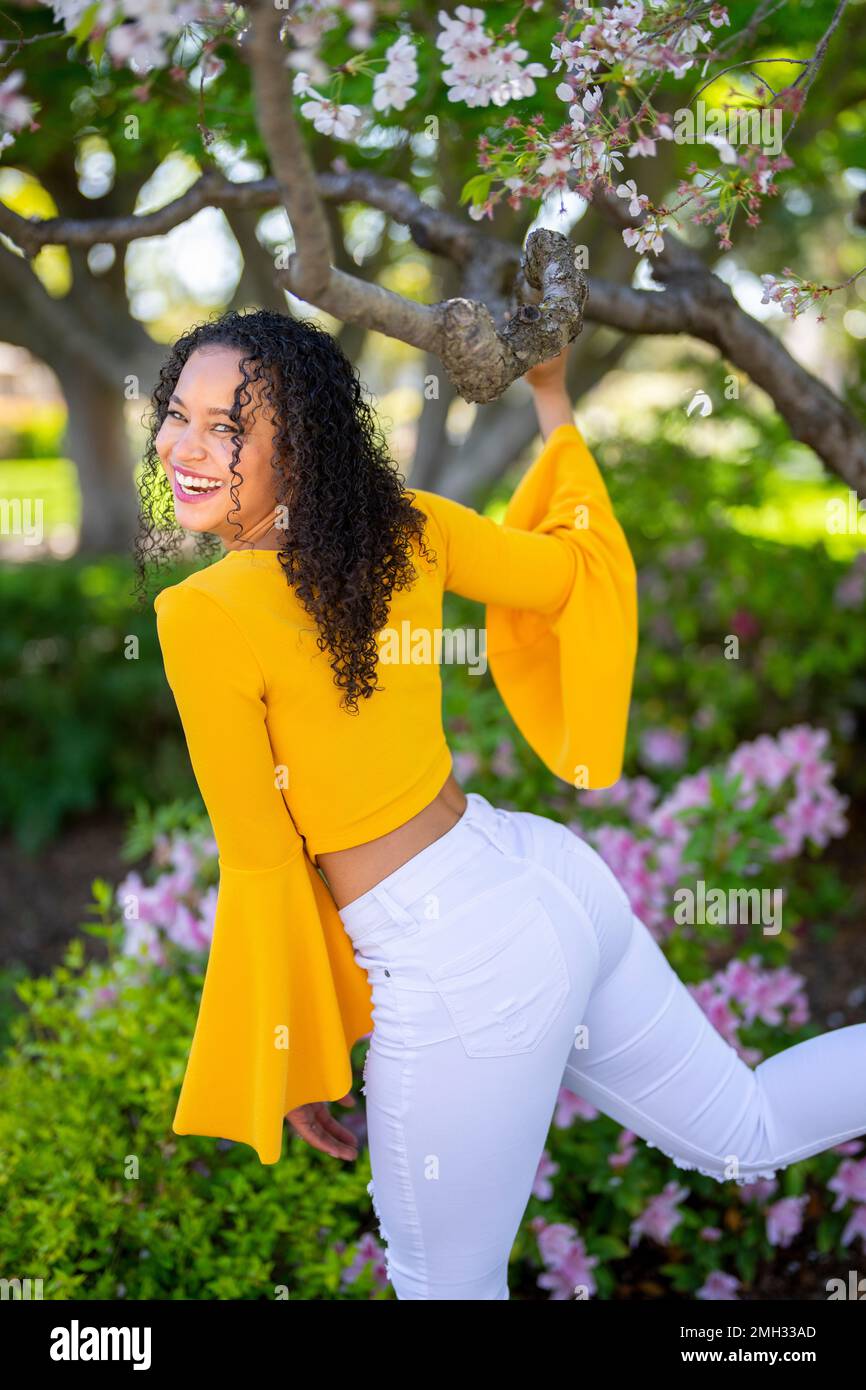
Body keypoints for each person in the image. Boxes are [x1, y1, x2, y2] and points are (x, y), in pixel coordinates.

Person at [139, 307, 866, 1301]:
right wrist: (550, 396)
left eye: (227, 427)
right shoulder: (410, 528)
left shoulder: (198, 616)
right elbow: (573, 576)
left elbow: (262, 860)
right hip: (545, 875)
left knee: (442, 1279)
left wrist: (295, 1050)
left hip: (458, 970)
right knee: (743, 1129)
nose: (184, 445)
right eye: (178, 414)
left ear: (293, 449)